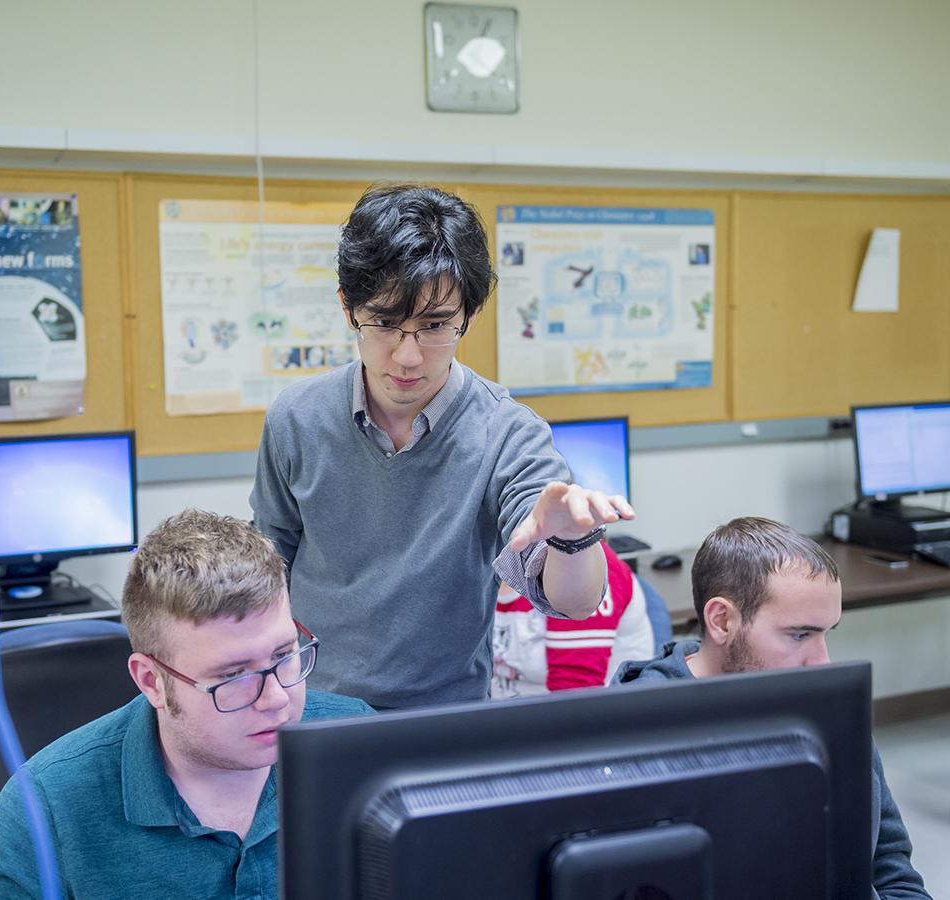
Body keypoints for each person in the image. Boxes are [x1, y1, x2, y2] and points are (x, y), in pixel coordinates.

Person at [251, 183, 635, 709]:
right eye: (384, 323)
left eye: (434, 327)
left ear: (468, 317)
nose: (408, 356)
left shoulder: (507, 433)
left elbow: (575, 602)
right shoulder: (296, 418)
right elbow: (269, 567)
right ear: (348, 309)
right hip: (312, 709)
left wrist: (571, 539)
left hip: (440, 719)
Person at [0, 509, 372, 899]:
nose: (277, 699)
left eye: (284, 655)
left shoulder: (361, 744)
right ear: (150, 681)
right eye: (234, 677)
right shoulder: (45, 809)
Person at [613, 517, 930, 900]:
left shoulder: (831, 714)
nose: (821, 662)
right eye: (800, 634)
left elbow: (894, 876)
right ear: (721, 620)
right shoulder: (640, 737)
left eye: (826, 633)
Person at [493, 542, 656, 696]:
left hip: (590, 716)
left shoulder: (578, 568)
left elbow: (574, 698)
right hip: (499, 716)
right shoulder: (483, 563)